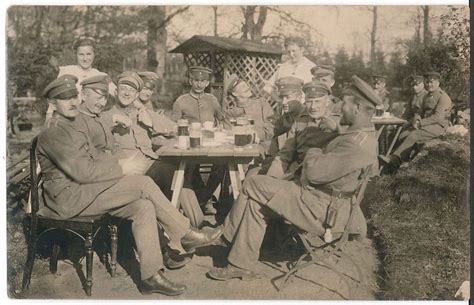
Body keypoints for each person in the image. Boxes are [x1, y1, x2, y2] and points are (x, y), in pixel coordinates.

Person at [37, 75, 224, 295]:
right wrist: (121, 168)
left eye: (73, 97)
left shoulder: (74, 123)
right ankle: (185, 232)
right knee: (143, 183)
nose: (73, 103)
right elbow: (82, 171)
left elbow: (97, 156)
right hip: (69, 199)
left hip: (85, 191)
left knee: (142, 207)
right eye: (64, 99)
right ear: (52, 104)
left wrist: (115, 161)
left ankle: (150, 276)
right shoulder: (55, 131)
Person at [206, 75, 380, 281]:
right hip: (316, 197)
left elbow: (315, 172)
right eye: (310, 101)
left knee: (253, 183)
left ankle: (225, 236)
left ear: (358, 107)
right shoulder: (356, 134)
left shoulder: (354, 141)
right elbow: (288, 152)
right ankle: (240, 264)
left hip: (322, 208)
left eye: (346, 104)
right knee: (255, 202)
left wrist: (315, 148)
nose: (341, 107)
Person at [101, 71, 205, 229]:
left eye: (132, 90)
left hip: (150, 164)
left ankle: (197, 226)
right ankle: (190, 230)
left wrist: (151, 124)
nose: (127, 93)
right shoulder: (106, 116)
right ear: (116, 91)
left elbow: (175, 128)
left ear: (137, 95)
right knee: (174, 174)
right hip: (130, 169)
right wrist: (112, 121)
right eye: (123, 88)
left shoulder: (142, 113)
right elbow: (93, 128)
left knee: (179, 173)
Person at [171, 66, 226, 215]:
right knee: (189, 166)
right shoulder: (181, 101)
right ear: (190, 81)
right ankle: (201, 202)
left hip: (210, 142)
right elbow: (173, 125)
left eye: (203, 81)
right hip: (190, 143)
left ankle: (202, 198)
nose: (199, 84)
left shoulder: (212, 99)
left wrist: (220, 128)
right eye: (196, 80)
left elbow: (221, 119)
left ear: (207, 83)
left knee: (222, 165)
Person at [379, 72, 452, 172]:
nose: (428, 85)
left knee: (414, 135)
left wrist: (420, 123)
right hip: (426, 124)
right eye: (427, 82)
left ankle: (394, 158)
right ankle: (399, 164)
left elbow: (438, 117)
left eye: (431, 82)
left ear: (438, 83)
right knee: (403, 135)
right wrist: (417, 119)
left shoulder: (443, 97)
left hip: (438, 126)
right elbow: (419, 111)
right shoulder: (427, 96)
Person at [267, 81, 342, 179]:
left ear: (327, 101)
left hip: (317, 179)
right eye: (309, 102)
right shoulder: (301, 121)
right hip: (295, 173)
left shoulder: (338, 123)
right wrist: (272, 177)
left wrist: (337, 129)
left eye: (317, 101)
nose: (313, 107)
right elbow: (285, 153)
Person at [45, 38, 116, 124]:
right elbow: (55, 98)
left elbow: (118, 94)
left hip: (91, 121)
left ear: (94, 54)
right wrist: (49, 118)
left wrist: (137, 107)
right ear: (76, 55)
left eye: (89, 54)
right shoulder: (66, 71)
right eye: (81, 54)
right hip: (69, 119)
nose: (85, 58)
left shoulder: (100, 75)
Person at [222, 74, 274, 143]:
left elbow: (271, 128)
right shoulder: (230, 113)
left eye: (246, 85)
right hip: (240, 149)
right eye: (242, 86)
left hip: (264, 148)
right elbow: (228, 134)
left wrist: (255, 136)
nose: (247, 87)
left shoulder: (261, 103)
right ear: (235, 93)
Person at [264, 36, 316, 102]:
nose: (291, 54)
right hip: (286, 109)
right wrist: (279, 100)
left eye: (294, 51)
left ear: (302, 49)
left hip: (304, 109)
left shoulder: (311, 67)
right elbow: (268, 87)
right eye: (288, 52)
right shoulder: (283, 67)